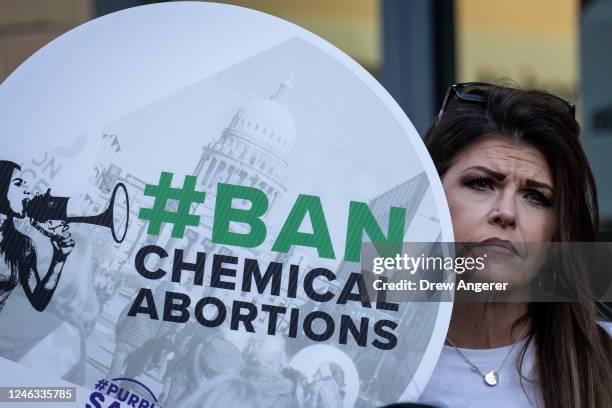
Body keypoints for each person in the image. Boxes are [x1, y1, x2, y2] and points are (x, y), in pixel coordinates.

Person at [418, 83, 612, 407]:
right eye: (481, 183)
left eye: (536, 197)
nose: (506, 212)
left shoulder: (602, 362)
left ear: (556, 231)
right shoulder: (364, 360)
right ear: (432, 196)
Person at [0, 160, 75, 313]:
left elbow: (39, 301)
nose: (28, 191)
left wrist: (59, 258)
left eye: (27, 186)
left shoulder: (24, 246)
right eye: (18, 184)